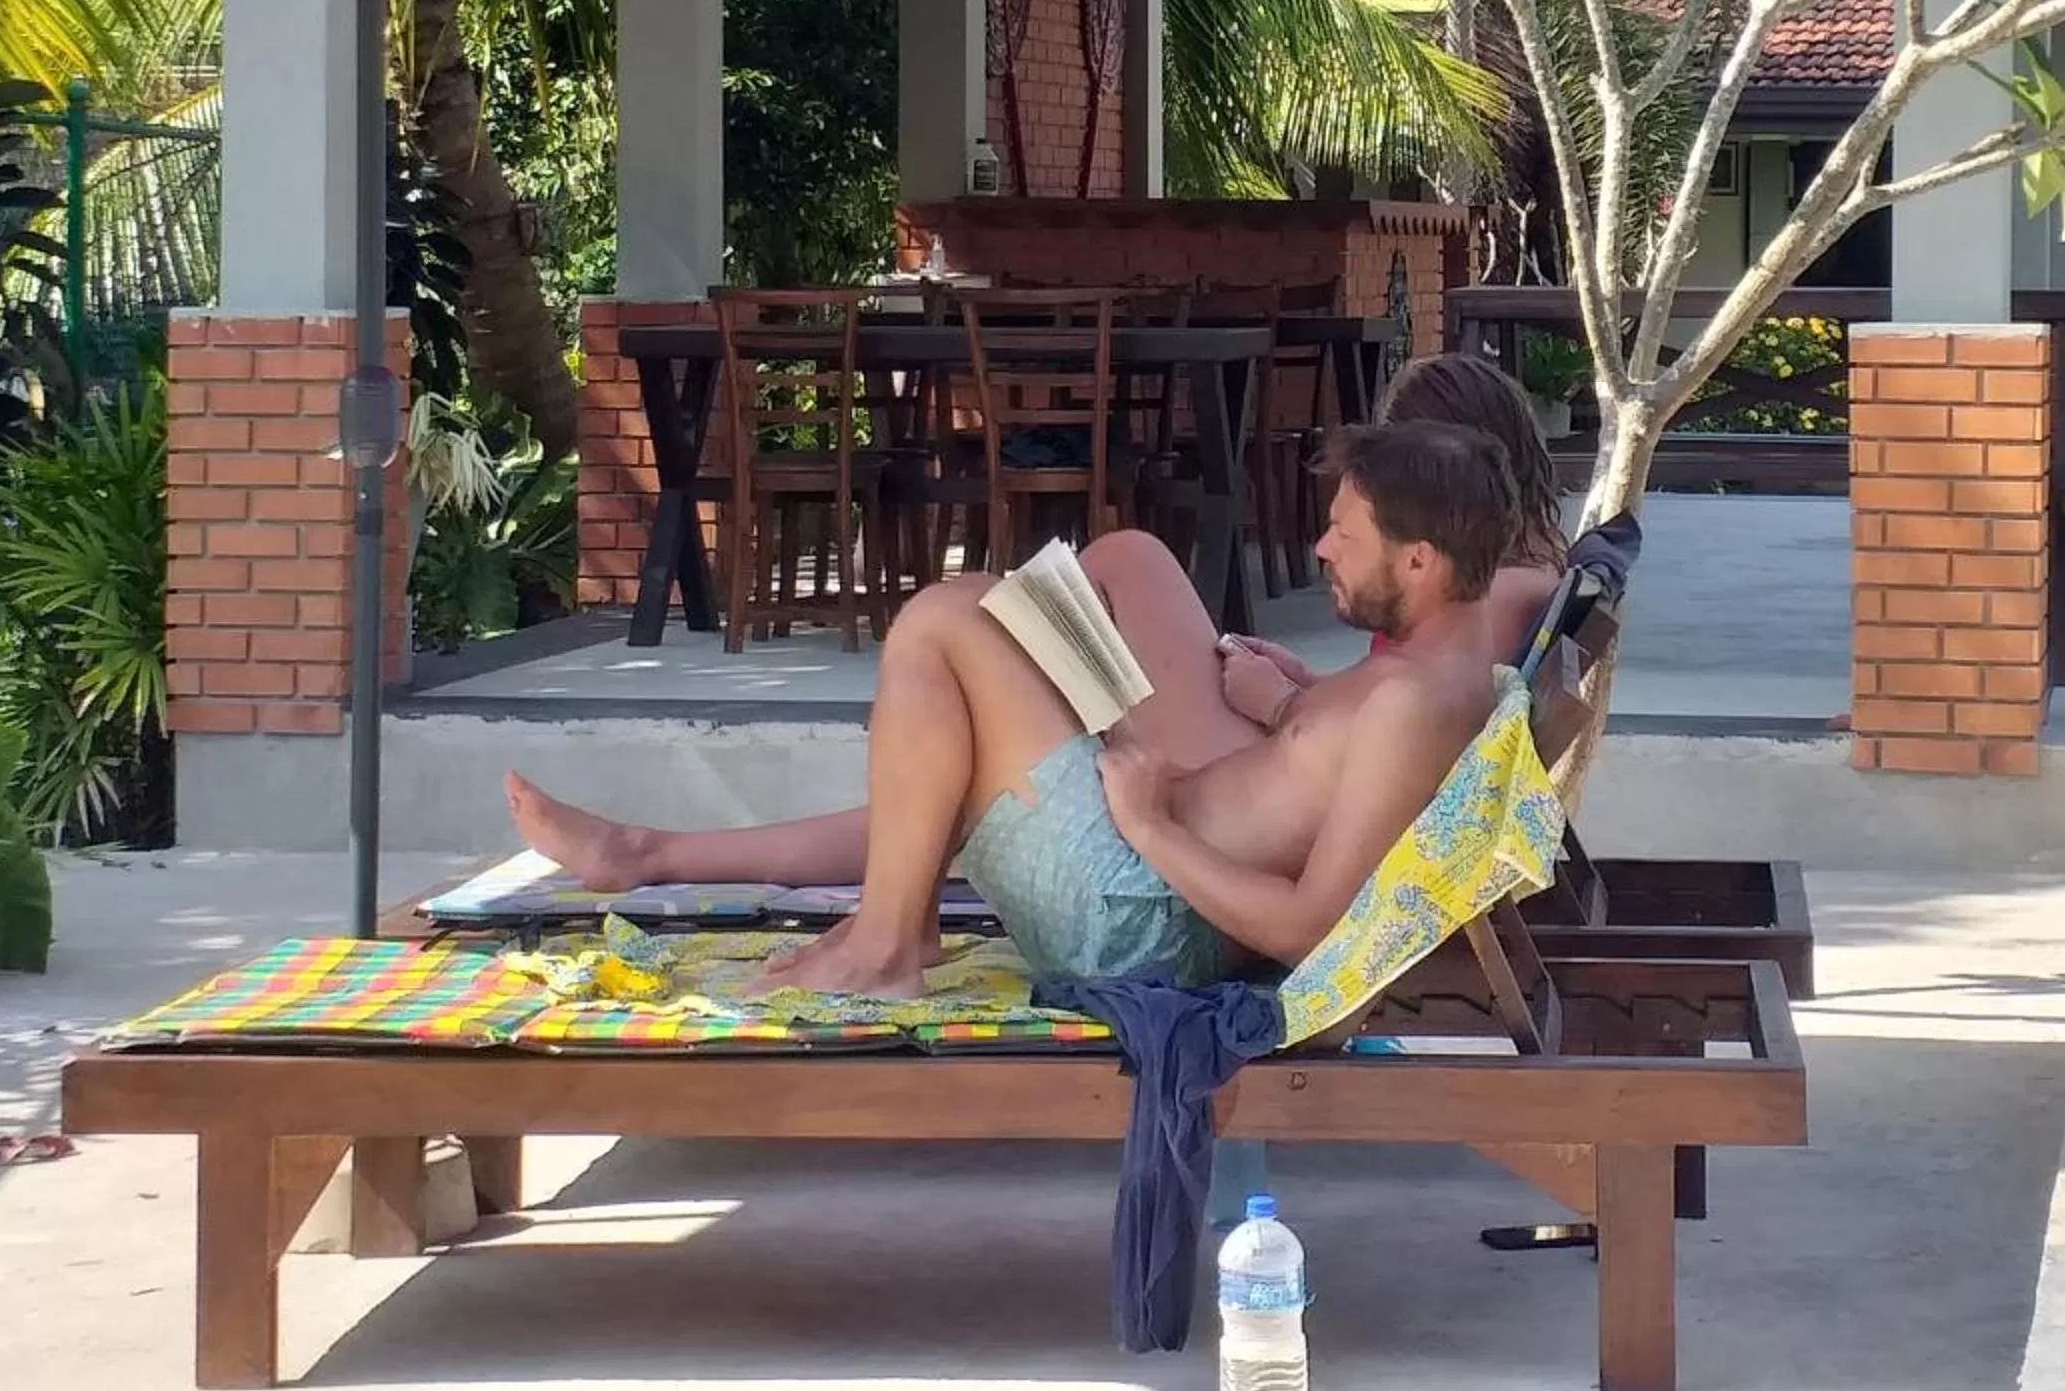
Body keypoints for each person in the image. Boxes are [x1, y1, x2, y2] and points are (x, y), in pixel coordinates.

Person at [501, 352, 1575, 995]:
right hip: (1145, 863)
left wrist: (1152, 823)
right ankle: (861, 910)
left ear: (1426, 555)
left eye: (1344, 534)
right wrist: (1288, 704)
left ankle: (886, 934)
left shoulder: (1425, 692)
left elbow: (1310, 931)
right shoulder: (1434, 675)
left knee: (943, 621)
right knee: (1018, 621)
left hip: (1133, 906)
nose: (1321, 553)